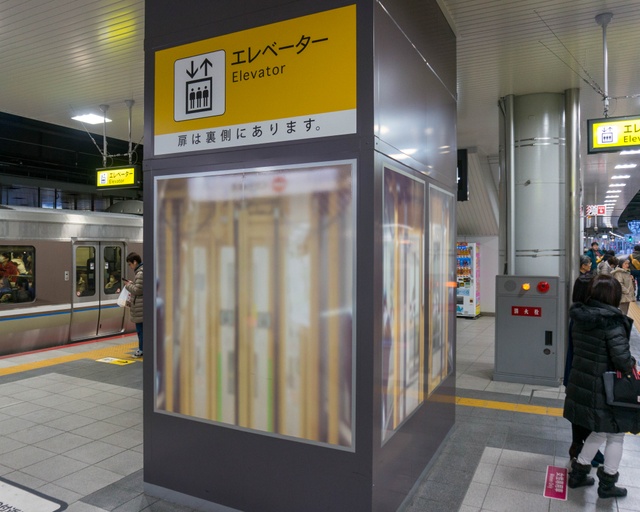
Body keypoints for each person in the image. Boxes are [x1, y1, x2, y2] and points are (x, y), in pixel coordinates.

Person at [564, 274, 640, 498]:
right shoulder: (612, 322)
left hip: (585, 382)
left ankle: (578, 474)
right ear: (613, 296)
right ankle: (607, 483)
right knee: (616, 435)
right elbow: (622, 360)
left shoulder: (580, 317)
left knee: (599, 431)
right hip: (605, 388)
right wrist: (632, 364)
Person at [564, 255, 602, 466]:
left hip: (576, 372)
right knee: (587, 414)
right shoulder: (593, 319)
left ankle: (580, 448)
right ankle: (584, 454)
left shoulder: (577, 316)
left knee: (580, 413)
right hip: (587, 374)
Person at [124, 252, 144, 357]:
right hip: (141, 307)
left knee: (141, 331)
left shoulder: (140, 273)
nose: (130, 267)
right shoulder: (141, 272)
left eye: (130, 264)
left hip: (140, 308)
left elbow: (138, 290)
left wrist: (128, 285)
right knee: (142, 330)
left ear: (135, 262)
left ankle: (141, 350)